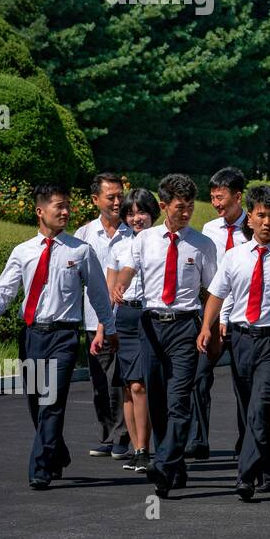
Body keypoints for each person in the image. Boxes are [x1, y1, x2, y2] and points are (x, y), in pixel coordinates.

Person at [0, 184, 114, 489]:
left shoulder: (80, 251)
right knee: (36, 402)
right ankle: (56, 452)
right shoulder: (23, 251)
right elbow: (5, 289)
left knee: (52, 401)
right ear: (40, 211)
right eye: (58, 207)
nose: (65, 212)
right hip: (32, 336)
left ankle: (39, 468)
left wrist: (109, 328)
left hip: (64, 337)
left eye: (67, 206)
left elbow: (99, 294)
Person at [199, 184, 270, 501]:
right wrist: (207, 327)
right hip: (241, 339)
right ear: (250, 218)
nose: (267, 222)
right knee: (247, 410)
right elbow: (216, 295)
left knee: (260, 407)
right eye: (261, 215)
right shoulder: (234, 257)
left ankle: (245, 476)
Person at [114, 174, 218, 498]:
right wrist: (122, 282)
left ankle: (163, 463)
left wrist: (209, 327)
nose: (185, 212)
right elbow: (130, 266)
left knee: (179, 401)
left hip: (185, 326)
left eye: (189, 207)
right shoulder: (144, 240)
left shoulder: (202, 244)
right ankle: (174, 465)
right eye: (179, 207)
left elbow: (214, 290)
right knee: (156, 399)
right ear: (163, 206)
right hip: (151, 324)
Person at [74, 172, 130, 461]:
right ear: (96, 200)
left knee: (120, 379)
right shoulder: (83, 235)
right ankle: (107, 434)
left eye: (121, 195)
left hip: (124, 320)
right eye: (111, 197)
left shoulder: (133, 231)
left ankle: (122, 436)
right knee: (99, 383)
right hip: (91, 319)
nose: (118, 201)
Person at [105, 188, 159, 472]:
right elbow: (110, 287)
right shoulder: (118, 245)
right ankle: (137, 449)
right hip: (123, 318)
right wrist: (105, 326)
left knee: (141, 385)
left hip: (148, 314)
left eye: (141, 212)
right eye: (130, 213)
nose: (136, 218)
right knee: (128, 386)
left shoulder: (160, 241)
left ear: (153, 212)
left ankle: (145, 449)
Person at [202, 166, 249, 457]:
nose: (217, 204)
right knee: (199, 377)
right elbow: (212, 282)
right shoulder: (209, 230)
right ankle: (198, 439)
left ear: (238, 197)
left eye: (221, 198)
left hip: (245, 318)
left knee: (244, 384)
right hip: (215, 316)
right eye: (213, 198)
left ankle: (247, 440)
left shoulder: (255, 227)